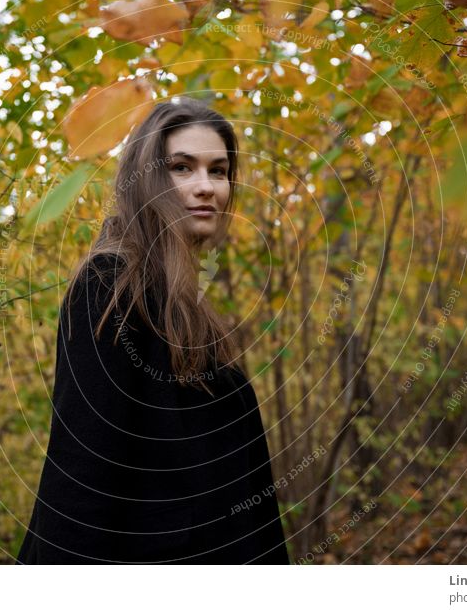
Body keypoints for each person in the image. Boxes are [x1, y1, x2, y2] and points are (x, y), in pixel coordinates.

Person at [16, 97, 289, 564]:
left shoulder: (186, 302)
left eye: (219, 171)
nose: (206, 187)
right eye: (182, 168)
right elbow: (82, 469)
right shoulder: (109, 286)